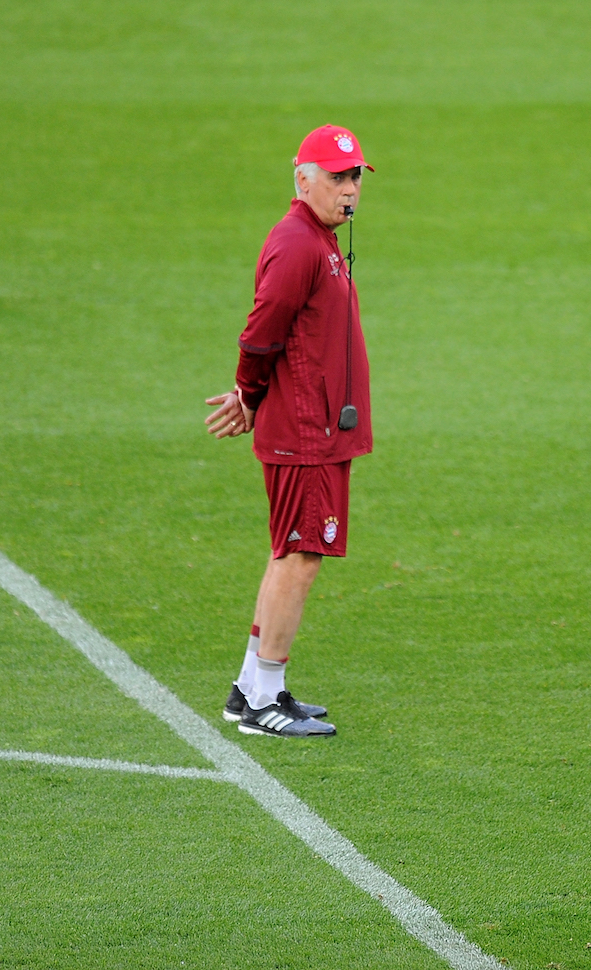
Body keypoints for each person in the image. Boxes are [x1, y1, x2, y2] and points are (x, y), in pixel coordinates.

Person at [204, 125, 374, 737]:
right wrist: (248, 394)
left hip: (318, 427)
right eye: (336, 177)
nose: (349, 189)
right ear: (302, 179)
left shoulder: (319, 238)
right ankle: (263, 704)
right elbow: (261, 331)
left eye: (355, 177)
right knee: (300, 556)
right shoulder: (299, 244)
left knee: (292, 553)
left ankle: (250, 687)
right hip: (304, 431)